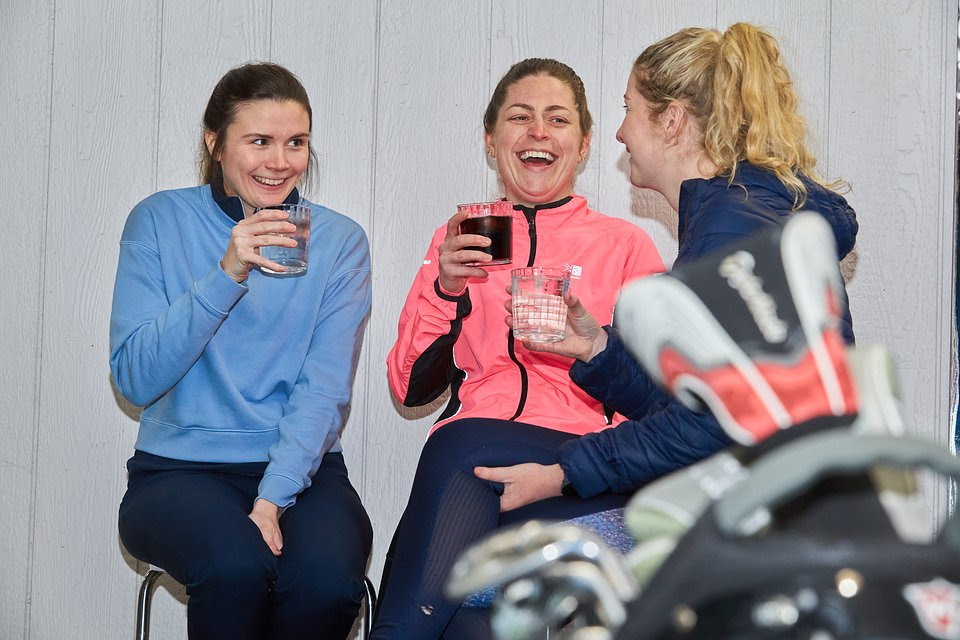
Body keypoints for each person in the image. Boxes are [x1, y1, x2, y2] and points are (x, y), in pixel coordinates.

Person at [486, 23, 859, 508]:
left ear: (671, 121)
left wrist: (565, 473)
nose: (619, 133)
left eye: (629, 109)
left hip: (778, 528)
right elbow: (697, 403)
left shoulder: (731, 228)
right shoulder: (734, 215)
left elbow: (715, 423)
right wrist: (597, 349)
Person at [373, 58, 665, 639]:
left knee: (460, 446)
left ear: (582, 145)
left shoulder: (625, 245)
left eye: (557, 120)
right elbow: (410, 388)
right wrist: (444, 286)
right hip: (474, 471)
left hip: (580, 466)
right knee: (469, 622)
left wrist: (590, 345)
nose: (537, 132)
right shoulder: (459, 238)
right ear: (491, 140)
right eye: (520, 118)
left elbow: (660, 397)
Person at [110, 62, 372, 640]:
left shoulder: (339, 241)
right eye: (259, 141)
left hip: (302, 468)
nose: (280, 162)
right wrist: (226, 273)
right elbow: (134, 378)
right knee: (235, 568)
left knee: (327, 582)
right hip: (178, 470)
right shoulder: (159, 221)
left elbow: (324, 389)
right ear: (215, 142)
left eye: (295, 143)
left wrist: (273, 498)